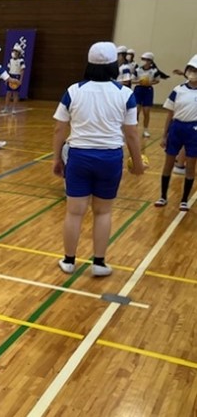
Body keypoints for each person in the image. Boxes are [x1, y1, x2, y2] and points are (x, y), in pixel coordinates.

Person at [53, 41, 143, 277]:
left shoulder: (73, 91)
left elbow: (59, 129)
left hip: (79, 156)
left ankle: (69, 261)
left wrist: (56, 159)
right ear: (114, 65)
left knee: (74, 212)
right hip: (110, 158)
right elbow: (132, 133)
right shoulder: (126, 94)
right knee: (103, 212)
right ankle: (99, 263)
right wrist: (137, 162)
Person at [155, 54, 197, 211]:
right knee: (168, 163)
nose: (193, 73)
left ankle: (184, 199)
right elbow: (169, 114)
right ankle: (163, 196)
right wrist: (164, 135)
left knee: (190, 166)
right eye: (191, 69)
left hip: (194, 131)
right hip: (176, 128)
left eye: (196, 70)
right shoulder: (177, 90)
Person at [3, 44, 26, 114]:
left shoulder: (21, 61)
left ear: (19, 53)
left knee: (15, 94)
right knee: (8, 93)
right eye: (13, 51)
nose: (14, 52)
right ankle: (6, 108)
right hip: (10, 76)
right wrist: (6, 79)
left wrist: (20, 80)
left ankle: (14, 109)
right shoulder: (10, 60)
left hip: (17, 77)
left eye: (16, 51)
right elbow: (8, 70)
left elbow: (22, 70)